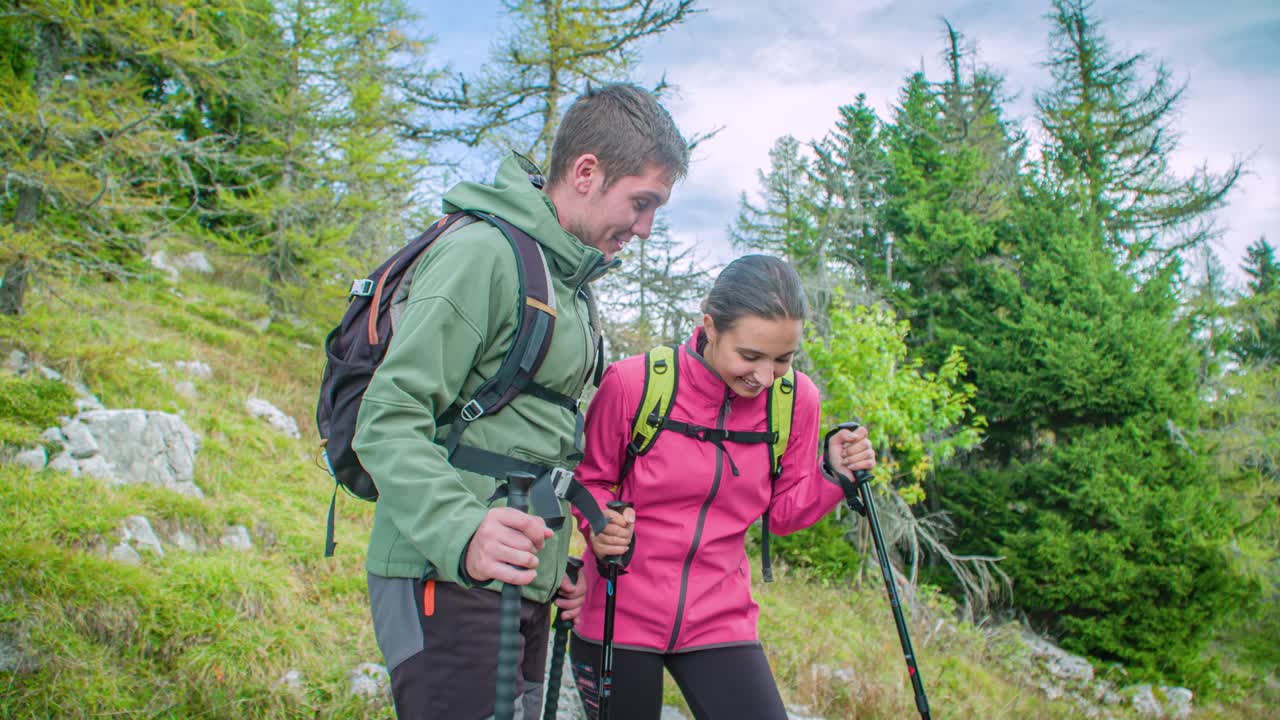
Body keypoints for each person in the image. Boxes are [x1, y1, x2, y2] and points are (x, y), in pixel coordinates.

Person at [352, 83, 689, 719]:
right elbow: (387, 418)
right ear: (586, 172)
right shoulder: (482, 255)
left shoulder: (567, 280)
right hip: (446, 572)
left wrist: (559, 564)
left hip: (519, 578)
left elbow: (528, 436)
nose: (645, 228)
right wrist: (462, 530)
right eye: (641, 202)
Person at [568, 255, 876, 720]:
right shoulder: (634, 384)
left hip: (720, 618)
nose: (765, 377)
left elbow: (783, 514)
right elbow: (589, 479)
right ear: (710, 327)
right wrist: (600, 522)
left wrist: (834, 476)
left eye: (783, 359)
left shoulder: (795, 401)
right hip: (616, 608)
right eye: (750, 356)